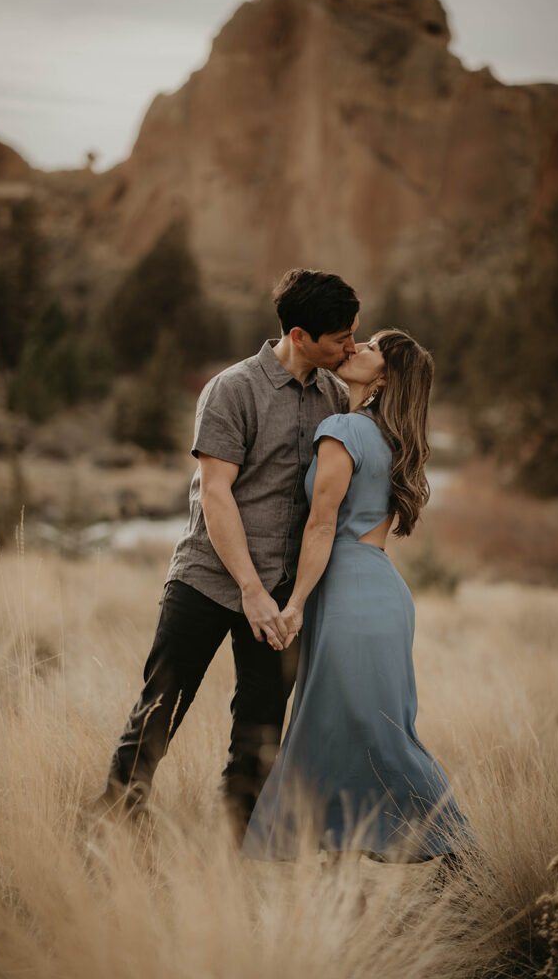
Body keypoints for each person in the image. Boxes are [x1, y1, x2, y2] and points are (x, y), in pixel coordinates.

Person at [99, 268, 360, 836]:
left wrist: (283, 598)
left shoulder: (337, 397)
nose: (351, 345)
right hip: (208, 581)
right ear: (298, 334)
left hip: (283, 596)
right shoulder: (231, 389)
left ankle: (233, 851)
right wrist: (251, 589)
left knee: (260, 732)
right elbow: (216, 496)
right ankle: (110, 832)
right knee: (158, 712)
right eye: (340, 335)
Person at [242, 328, 474, 863]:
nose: (356, 348)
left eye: (370, 348)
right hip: (381, 591)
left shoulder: (343, 429)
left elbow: (322, 526)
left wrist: (295, 602)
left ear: (385, 376)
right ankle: (327, 858)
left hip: (347, 593)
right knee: (353, 728)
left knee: (363, 732)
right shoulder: (396, 438)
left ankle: (459, 850)